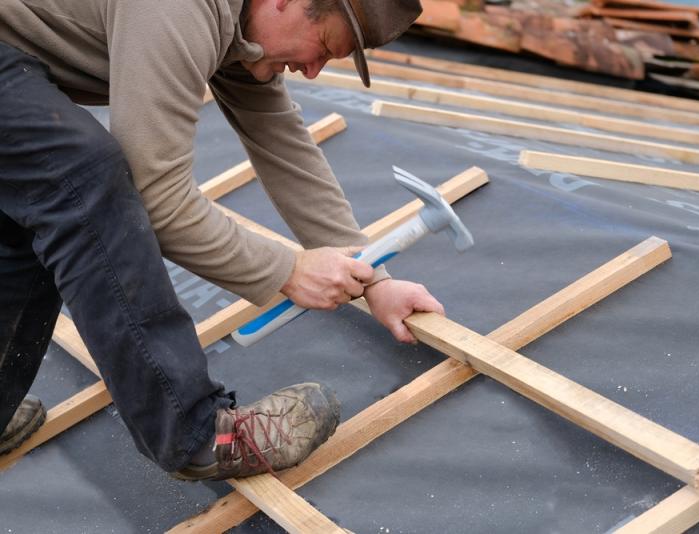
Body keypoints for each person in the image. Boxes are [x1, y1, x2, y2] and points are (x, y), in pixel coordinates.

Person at [0, 0, 444, 481]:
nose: (312, 73)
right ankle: (195, 434)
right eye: (323, 48)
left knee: (38, 189)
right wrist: (288, 270)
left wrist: (373, 277)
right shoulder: (179, 9)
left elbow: (280, 140)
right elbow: (159, 197)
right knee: (80, 176)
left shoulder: (240, 23)